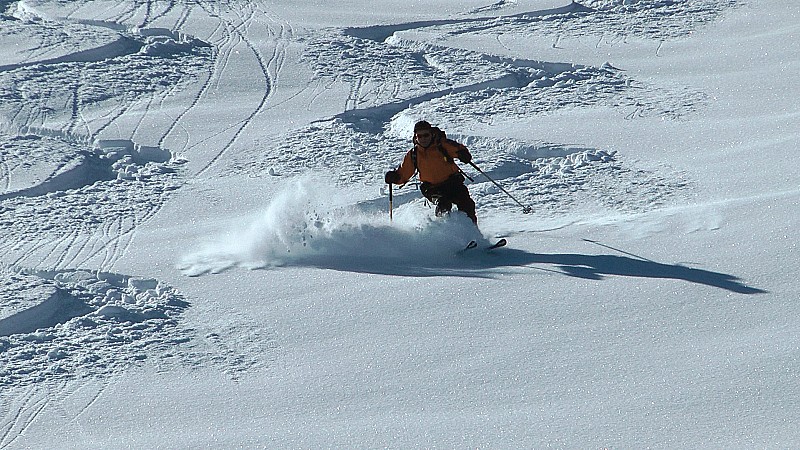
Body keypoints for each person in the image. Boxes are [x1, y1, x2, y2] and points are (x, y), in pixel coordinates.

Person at [385, 120, 478, 224]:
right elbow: (403, 175)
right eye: (419, 136)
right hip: (432, 188)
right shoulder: (413, 154)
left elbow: (458, 148)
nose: (423, 139)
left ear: (431, 134)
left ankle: (473, 233)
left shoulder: (442, 145)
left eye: (426, 135)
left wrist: (463, 154)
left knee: (467, 205)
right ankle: (446, 232)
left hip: (453, 183)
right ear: (415, 138)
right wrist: (394, 177)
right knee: (443, 204)